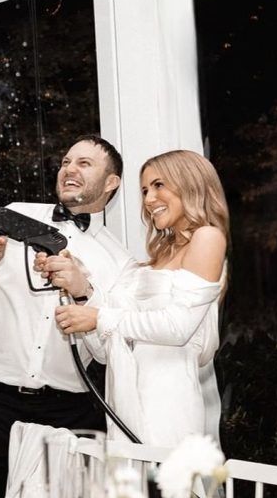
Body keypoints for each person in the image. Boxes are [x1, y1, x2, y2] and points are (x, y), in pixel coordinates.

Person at [0, 135, 136, 498]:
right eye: (65, 162)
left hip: (66, 410)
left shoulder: (120, 262)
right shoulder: (14, 215)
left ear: (111, 182)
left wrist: (84, 291)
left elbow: (110, 353)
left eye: (84, 163)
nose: (70, 169)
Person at [42, 149, 229, 448]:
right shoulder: (153, 261)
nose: (149, 199)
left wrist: (99, 317)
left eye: (159, 185)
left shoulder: (207, 237)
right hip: (125, 403)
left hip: (167, 406)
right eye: (144, 190)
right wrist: (83, 294)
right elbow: (103, 351)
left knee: (165, 492)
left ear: (190, 184)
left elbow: (178, 328)